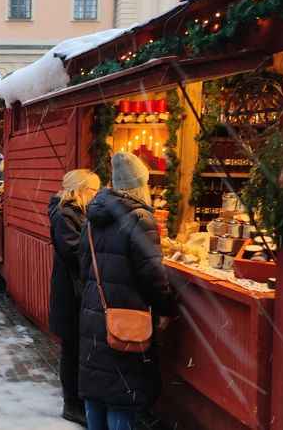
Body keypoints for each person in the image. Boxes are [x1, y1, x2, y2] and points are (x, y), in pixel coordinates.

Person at [78, 152, 175, 430]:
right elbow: (153, 275)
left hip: (94, 313)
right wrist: (166, 309)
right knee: (122, 395)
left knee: (97, 393)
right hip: (125, 318)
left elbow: (83, 264)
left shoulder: (92, 216)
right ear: (139, 184)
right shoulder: (140, 218)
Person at [47, 169, 101, 426]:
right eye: (93, 190)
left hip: (73, 291)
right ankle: (72, 405)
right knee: (72, 350)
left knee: (75, 349)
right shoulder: (65, 215)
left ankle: (78, 401)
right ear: (79, 190)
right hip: (70, 294)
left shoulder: (74, 213)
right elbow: (74, 252)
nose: (96, 195)